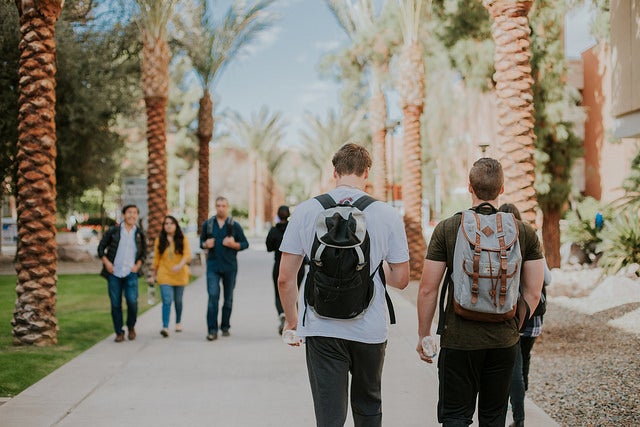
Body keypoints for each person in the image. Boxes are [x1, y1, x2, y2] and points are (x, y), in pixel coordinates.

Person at [278, 142, 410, 427]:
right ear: (366, 173)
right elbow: (401, 279)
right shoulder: (386, 215)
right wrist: (374, 264)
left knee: (329, 416)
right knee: (368, 406)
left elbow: (285, 278)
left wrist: (291, 321)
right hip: (370, 329)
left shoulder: (304, 211)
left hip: (320, 326)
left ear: (334, 172)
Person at [416, 158, 545, 426]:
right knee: (493, 417)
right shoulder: (525, 232)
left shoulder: (448, 228)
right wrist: (511, 325)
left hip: (458, 341)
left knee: (455, 417)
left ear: (469, 188)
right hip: (503, 342)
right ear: (501, 190)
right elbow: (533, 293)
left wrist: (424, 335)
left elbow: (428, 289)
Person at [498, 203, 552, 427]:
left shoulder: (500, 244)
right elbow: (547, 279)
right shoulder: (530, 241)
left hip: (512, 314)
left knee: (513, 366)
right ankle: (521, 396)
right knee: (524, 359)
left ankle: (516, 410)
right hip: (533, 317)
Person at [200, 196, 249, 341]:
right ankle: (212, 330)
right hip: (213, 267)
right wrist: (205, 244)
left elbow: (245, 243)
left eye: (223, 206)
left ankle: (225, 326)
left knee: (228, 299)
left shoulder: (234, 225)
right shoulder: (208, 224)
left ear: (227, 207)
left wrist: (234, 245)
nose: (221, 208)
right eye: (218, 206)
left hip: (230, 267)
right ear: (215, 207)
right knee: (213, 297)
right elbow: (201, 242)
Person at [98, 204, 147, 343]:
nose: (132, 215)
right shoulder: (114, 231)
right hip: (114, 273)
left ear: (137, 215)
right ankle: (119, 332)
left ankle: (131, 326)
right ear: (124, 215)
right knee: (115, 304)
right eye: (129, 212)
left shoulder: (139, 233)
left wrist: (138, 265)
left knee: (132, 302)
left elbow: (144, 253)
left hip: (131, 273)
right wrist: (106, 263)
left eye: (134, 213)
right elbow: (101, 248)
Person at [265, 205, 305, 335]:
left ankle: (283, 313)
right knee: (294, 290)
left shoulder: (273, 231)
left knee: (279, 292)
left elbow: (269, 247)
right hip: (298, 265)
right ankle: (293, 317)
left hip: (279, 264)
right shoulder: (295, 229)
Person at [150, 215, 191, 338]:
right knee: (167, 300)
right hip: (164, 274)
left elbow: (187, 255)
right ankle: (165, 326)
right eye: (166, 223)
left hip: (180, 274)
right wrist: (153, 275)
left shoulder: (182, 238)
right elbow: (156, 258)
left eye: (171, 223)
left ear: (176, 225)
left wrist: (180, 265)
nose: (168, 225)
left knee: (178, 301)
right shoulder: (160, 240)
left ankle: (178, 322)